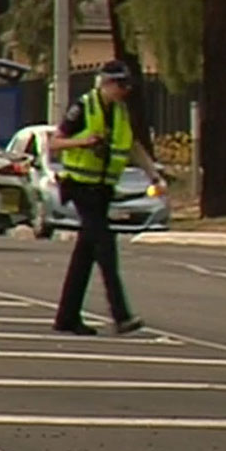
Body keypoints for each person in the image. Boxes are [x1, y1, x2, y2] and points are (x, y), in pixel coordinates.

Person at [49, 60, 166, 336]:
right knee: (105, 247)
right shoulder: (84, 107)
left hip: (102, 190)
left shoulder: (121, 112)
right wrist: (83, 141)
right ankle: (121, 315)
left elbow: (133, 146)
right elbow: (55, 142)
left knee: (85, 254)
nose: (124, 91)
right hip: (80, 186)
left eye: (127, 85)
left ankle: (66, 317)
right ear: (106, 83)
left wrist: (154, 175)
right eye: (119, 85)